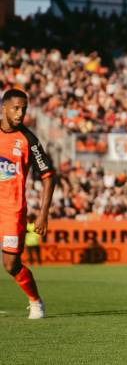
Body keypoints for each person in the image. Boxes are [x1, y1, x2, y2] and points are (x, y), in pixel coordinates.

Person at [0, 89, 56, 319]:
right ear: (3, 107)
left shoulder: (29, 141)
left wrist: (43, 214)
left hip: (12, 211)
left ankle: (35, 301)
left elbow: (48, 176)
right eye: (16, 108)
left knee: (11, 265)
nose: (20, 113)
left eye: (24, 108)